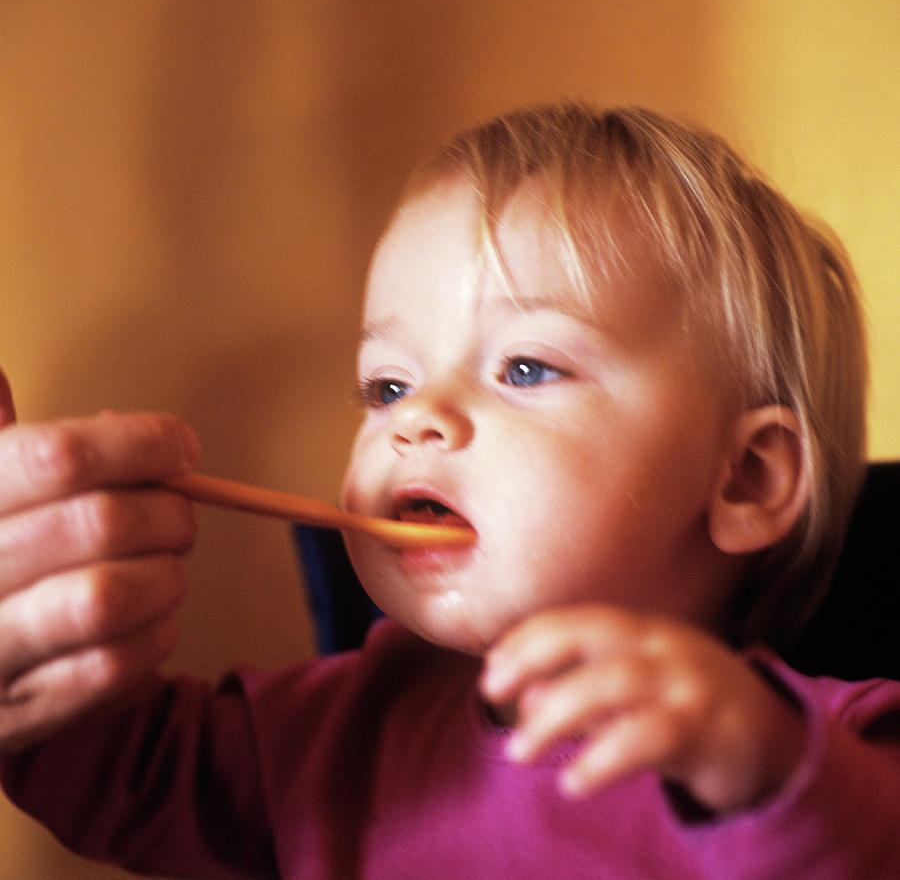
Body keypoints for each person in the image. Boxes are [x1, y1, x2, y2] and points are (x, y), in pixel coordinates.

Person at [1, 103, 898, 878]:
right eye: (386, 386)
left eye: (525, 367)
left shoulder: (821, 748)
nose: (415, 419)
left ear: (746, 478)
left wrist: (772, 772)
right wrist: (23, 644)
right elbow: (115, 766)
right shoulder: (337, 730)